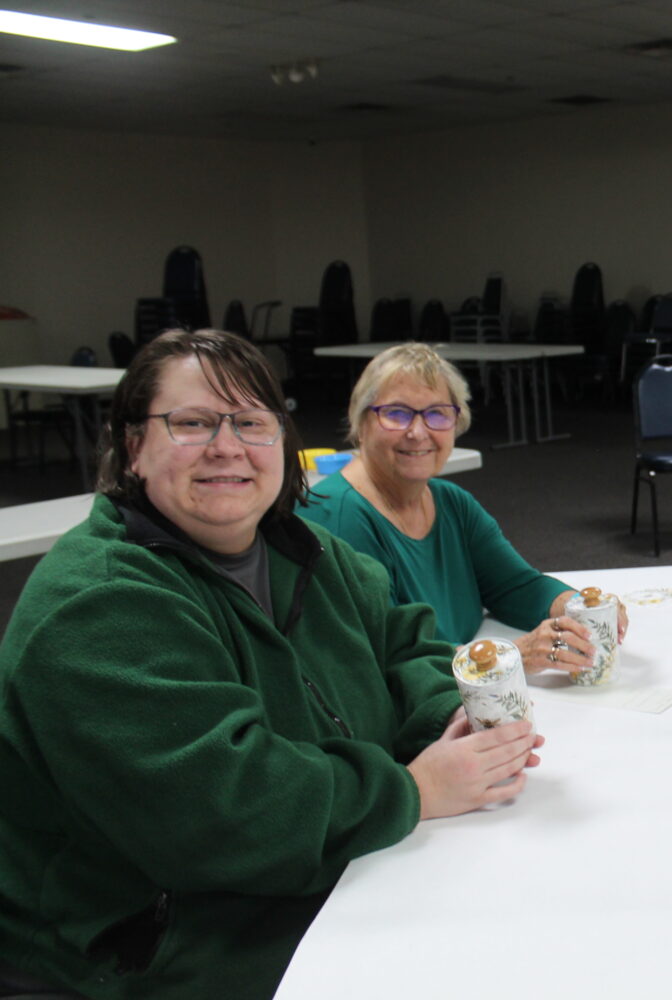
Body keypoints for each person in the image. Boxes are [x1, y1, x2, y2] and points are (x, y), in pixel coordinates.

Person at [0, 330, 543, 1000]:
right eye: (193, 423)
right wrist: (411, 791)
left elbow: (408, 647)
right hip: (153, 945)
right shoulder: (99, 604)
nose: (227, 446)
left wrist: (453, 720)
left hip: (312, 874)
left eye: (252, 423)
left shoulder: (307, 549)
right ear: (133, 448)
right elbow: (220, 810)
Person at [299, 342, 625, 670]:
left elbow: (513, 585)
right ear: (361, 423)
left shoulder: (450, 502)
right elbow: (387, 656)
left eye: (436, 414)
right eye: (396, 414)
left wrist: (582, 607)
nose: (417, 432)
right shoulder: (337, 520)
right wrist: (512, 656)